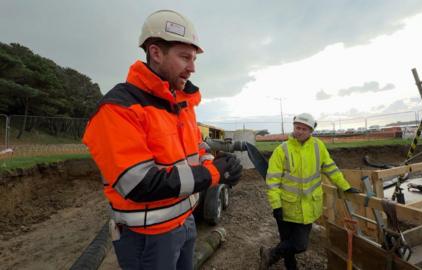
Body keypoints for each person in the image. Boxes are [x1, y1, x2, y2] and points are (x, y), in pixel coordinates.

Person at [83, 10, 242, 270]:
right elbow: (139, 184)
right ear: (156, 53)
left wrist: (217, 162)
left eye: (193, 59)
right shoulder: (118, 109)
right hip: (148, 237)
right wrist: (213, 174)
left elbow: (196, 149)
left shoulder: (181, 103)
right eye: (184, 58)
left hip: (185, 221)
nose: (193, 68)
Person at [260, 113, 358, 270]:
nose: (299, 131)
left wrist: (344, 186)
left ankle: (270, 254)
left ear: (311, 131)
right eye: (297, 127)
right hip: (286, 207)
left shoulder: (318, 147)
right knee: (287, 240)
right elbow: (272, 181)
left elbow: (330, 168)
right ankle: (291, 266)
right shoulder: (281, 150)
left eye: (304, 129)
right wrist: (276, 205)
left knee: (299, 245)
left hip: (308, 208)